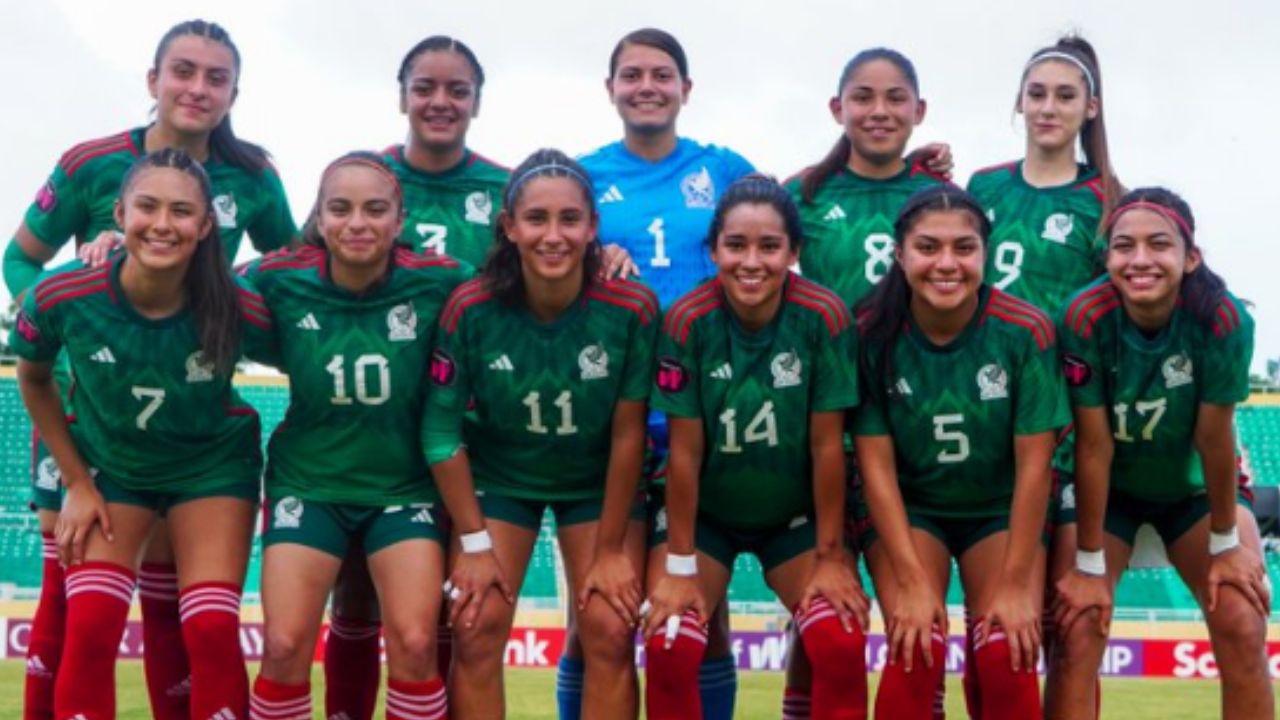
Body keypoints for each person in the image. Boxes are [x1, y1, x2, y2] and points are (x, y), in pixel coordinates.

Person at [5, 19, 295, 720]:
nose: (197, 88)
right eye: (183, 71)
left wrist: (242, 284)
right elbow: (20, 262)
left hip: (194, 412)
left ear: (233, 92)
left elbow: (292, 272)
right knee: (66, 600)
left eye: (215, 77)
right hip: (91, 411)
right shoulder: (90, 164)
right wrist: (83, 322)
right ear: (153, 80)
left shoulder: (253, 175)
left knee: (184, 608)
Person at [242, 151, 489, 720]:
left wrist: (608, 258)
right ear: (320, 219)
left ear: (399, 220)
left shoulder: (442, 279)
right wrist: (110, 247)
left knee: (415, 644)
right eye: (341, 208)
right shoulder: (276, 277)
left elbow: (516, 288)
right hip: (309, 483)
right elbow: (192, 274)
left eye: (375, 209)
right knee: (282, 647)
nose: (358, 222)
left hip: (404, 489)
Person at [423, 148, 657, 718]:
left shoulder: (631, 307)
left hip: (594, 483)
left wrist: (608, 551)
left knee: (607, 626)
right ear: (508, 227)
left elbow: (631, 434)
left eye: (570, 219)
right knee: (476, 624)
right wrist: (475, 544)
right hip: (502, 479)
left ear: (593, 226)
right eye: (536, 219)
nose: (553, 236)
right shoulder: (472, 308)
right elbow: (438, 430)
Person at [574, 28, 757, 717]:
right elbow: (540, 245)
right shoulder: (586, 175)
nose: (646, 86)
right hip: (615, 414)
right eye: (631, 75)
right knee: (598, 617)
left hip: (703, 417)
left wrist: (908, 171)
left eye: (661, 74)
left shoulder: (721, 165)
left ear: (686, 88)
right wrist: (589, 262)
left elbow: (790, 210)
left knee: (701, 621)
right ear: (611, 89)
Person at [644, 175, 869, 720]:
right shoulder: (688, 321)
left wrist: (832, 555)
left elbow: (826, 445)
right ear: (713, 248)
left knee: (839, 641)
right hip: (706, 520)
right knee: (670, 642)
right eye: (736, 245)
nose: (752, 261)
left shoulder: (823, 316)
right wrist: (677, 565)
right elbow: (685, 454)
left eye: (769, 246)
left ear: (793, 251)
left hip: (794, 519)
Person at [1050, 188, 1273, 720]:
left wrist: (1226, 542)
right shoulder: (1083, 315)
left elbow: (1214, 438)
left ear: (1190, 257)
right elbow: (1094, 442)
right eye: (1124, 246)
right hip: (1111, 491)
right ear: (1107, 259)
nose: (1141, 259)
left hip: (1193, 489)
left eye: (1159, 244)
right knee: (1076, 626)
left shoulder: (1221, 319)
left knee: (1242, 618)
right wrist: (1086, 563)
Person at [853, 185, 1067, 720]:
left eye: (964, 248)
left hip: (997, 510)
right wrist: (909, 581)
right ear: (899, 255)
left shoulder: (1024, 331)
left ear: (985, 254)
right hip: (911, 509)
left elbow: (1035, 464)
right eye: (927, 248)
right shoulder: (870, 334)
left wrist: (1018, 586)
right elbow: (874, 465)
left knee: (1006, 649)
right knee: (915, 642)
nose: (946, 263)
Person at [780, 46, 949, 719]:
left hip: (907, 430)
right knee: (824, 624)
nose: (879, 111)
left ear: (919, 109)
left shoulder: (940, 197)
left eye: (894, 98)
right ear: (837, 108)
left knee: (916, 619)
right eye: (863, 97)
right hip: (818, 428)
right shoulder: (802, 197)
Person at [966, 35, 1122, 718]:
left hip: (1065, 425)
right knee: (998, 633)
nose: (1048, 107)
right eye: (1037, 94)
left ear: (1091, 106)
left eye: (1064, 95)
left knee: (1068, 631)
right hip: (984, 425)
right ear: (1019, 103)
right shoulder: (982, 186)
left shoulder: (1108, 198)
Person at [385, 35, 509, 267]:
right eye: (423, 89)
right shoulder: (364, 180)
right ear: (403, 99)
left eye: (458, 92)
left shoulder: (506, 190)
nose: (440, 102)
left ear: (477, 104)